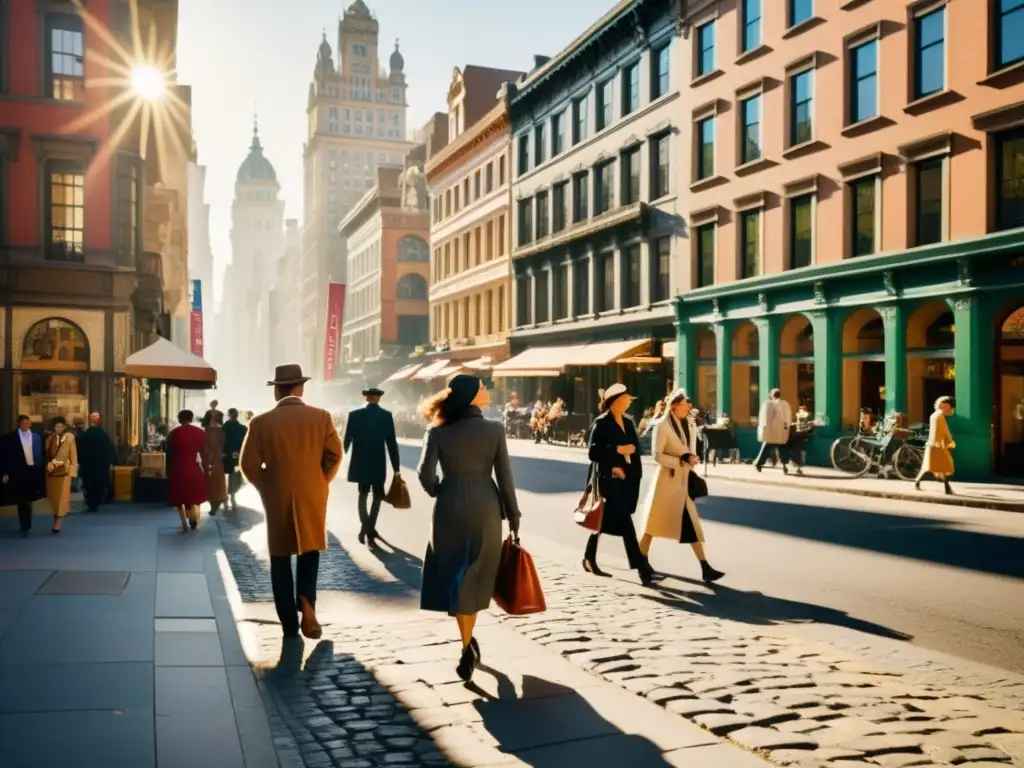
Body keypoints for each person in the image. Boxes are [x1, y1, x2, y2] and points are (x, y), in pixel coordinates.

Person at [418, 374, 521, 682]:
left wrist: (441, 490)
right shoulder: (494, 430)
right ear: (473, 396)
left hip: (448, 507)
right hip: (485, 507)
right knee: (475, 574)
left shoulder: (437, 431)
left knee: (455, 573)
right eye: (482, 387)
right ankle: (467, 647)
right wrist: (513, 516)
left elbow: (425, 475)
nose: (487, 390)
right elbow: (505, 476)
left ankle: (467, 643)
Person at [241, 364, 343, 641]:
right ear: (300, 389)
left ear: (277, 390)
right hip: (312, 493)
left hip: (277, 495)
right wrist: (320, 481)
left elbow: (248, 464)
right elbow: (335, 454)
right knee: (310, 551)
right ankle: (307, 603)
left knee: (280, 558)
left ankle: (288, 622)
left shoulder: (260, 422)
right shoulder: (321, 417)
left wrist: (267, 485)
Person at [638, 389, 725, 583]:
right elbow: (657, 455)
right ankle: (642, 563)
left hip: (682, 482)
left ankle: (705, 567)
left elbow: (690, 447)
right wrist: (681, 459)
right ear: (674, 406)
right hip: (667, 482)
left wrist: (692, 458)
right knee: (652, 525)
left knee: (692, 526)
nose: (688, 408)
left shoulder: (688, 424)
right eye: (685, 404)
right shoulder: (662, 426)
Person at [583, 383, 657, 586]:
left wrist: (631, 450)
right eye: (624, 400)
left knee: (603, 521)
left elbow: (636, 449)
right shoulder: (602, 422)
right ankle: (642, 569)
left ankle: (589, 558)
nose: (627, 403)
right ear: (614, 402)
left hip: (626, 480)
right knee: (626, 523)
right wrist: (617, 451)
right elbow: (594, 452)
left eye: (628, 400)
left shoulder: (628, 421)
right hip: (609, 481)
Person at [343, 387, 400, 547]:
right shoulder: (386, 416)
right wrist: (396, 467)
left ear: (366, 398)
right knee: (377, 496)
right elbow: (391, 444)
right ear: (378, 399)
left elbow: (346, 439)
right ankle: (369, 529)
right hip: (378, 462)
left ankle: (366, 528)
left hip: (360, 461)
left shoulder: (354, 415)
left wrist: (342, 456)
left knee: (362, 494)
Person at [0, 415, 45, 536]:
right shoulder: (10, 438)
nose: (25, 425)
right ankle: (24, 525)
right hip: (19, 471)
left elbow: (41, 453)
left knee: (30, 498)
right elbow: (4, 456)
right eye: (23, 423)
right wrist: (4, 472)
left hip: (33, 470)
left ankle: (27, 523)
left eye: (27, 423)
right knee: (22, 499)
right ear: (19, 424)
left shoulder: (36, 437)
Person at [167, 410, 208, 532]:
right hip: (193, 468)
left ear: (179, 419)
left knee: (179, 499)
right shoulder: (200, 433)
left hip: (177, 468)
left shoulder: (173, 434)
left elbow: (169, 456)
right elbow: (205, 454)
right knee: (192, 496)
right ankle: (193, 516)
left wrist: (168, 472)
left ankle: (184, 523)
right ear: (191, 419)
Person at [43, 417, 79, 533]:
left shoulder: (70, 438)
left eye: (60, 426)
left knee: (61, 499)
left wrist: (73, 472)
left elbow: (73, 455)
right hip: (52, 472)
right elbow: (46, 454)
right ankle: (55, 517)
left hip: (64, 472)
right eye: (56, 426)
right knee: (53, 498)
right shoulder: (50, 439)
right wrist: (49, 464)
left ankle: (57, 522)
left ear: (64, 427)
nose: (58, 429)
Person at [915, 396, 956, 495]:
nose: (951, 410)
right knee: (947, 467)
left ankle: (917, 482)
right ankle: (947, 488)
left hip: (932, 445)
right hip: (937, 446)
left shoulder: (934, 415)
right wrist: (950, 442)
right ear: (945, 406)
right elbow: (945, 432)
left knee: (929, 467)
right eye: (950, 407)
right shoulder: (939, 417)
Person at [77, 412, 117, 512]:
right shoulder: (103, 435)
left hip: (87, 465)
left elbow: (78, 448)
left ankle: (90, 502)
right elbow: (109, 449)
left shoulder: (85, 435)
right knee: (99, 484)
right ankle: (95, 502)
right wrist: (112, 461)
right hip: (101, 465)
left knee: (88, 483)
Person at [754, 388, 793, 474]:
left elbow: (764, 418)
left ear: (772, 395)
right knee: (783, 448)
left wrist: (763, 429)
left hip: (771, 431)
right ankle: (784, 465)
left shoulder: (768, 404)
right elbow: (788, 417)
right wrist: (787, 427)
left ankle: (759, 464)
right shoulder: (785, 404)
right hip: (781, 431)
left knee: (766, 447)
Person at [203, 411, 228, 515]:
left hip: (211, 458)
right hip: (217, 459)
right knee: (217, 480)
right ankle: (219, 500)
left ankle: (215, 503)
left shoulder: (210, 431)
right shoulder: (221, 430)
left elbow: (206, 445)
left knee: (211, 481)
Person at [223, 408, 248, 510]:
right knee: (234, 476)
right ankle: (231, 496)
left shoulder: (224, 428)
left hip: (225, 455)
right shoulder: (242, 428)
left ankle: (226, 498)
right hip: (236, 455)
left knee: (226, 476)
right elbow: (245, 443)